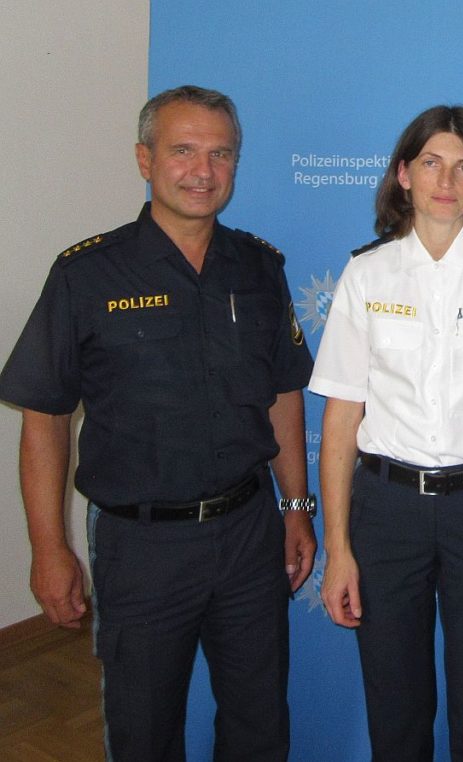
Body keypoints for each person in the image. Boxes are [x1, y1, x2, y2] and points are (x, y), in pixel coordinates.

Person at [0, 85, 317, 761]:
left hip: (247, 534)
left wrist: (296, 506)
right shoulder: (86, 274)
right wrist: (49, 547)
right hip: (140, 546)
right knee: (143, 730)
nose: (203, 170)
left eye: (220, 154)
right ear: (145, 160)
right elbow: (45, 419)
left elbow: (283, 395)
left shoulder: (259, 268)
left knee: (260, 723)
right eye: (183, 151)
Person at [311, 104, 463, 761]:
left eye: (462, 166)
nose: (446, 180)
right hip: (387, 514)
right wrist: (336, 547)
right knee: (396, 712)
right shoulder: (366, 275)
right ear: (403, 175)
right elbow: (340, 421)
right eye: (430, 163)